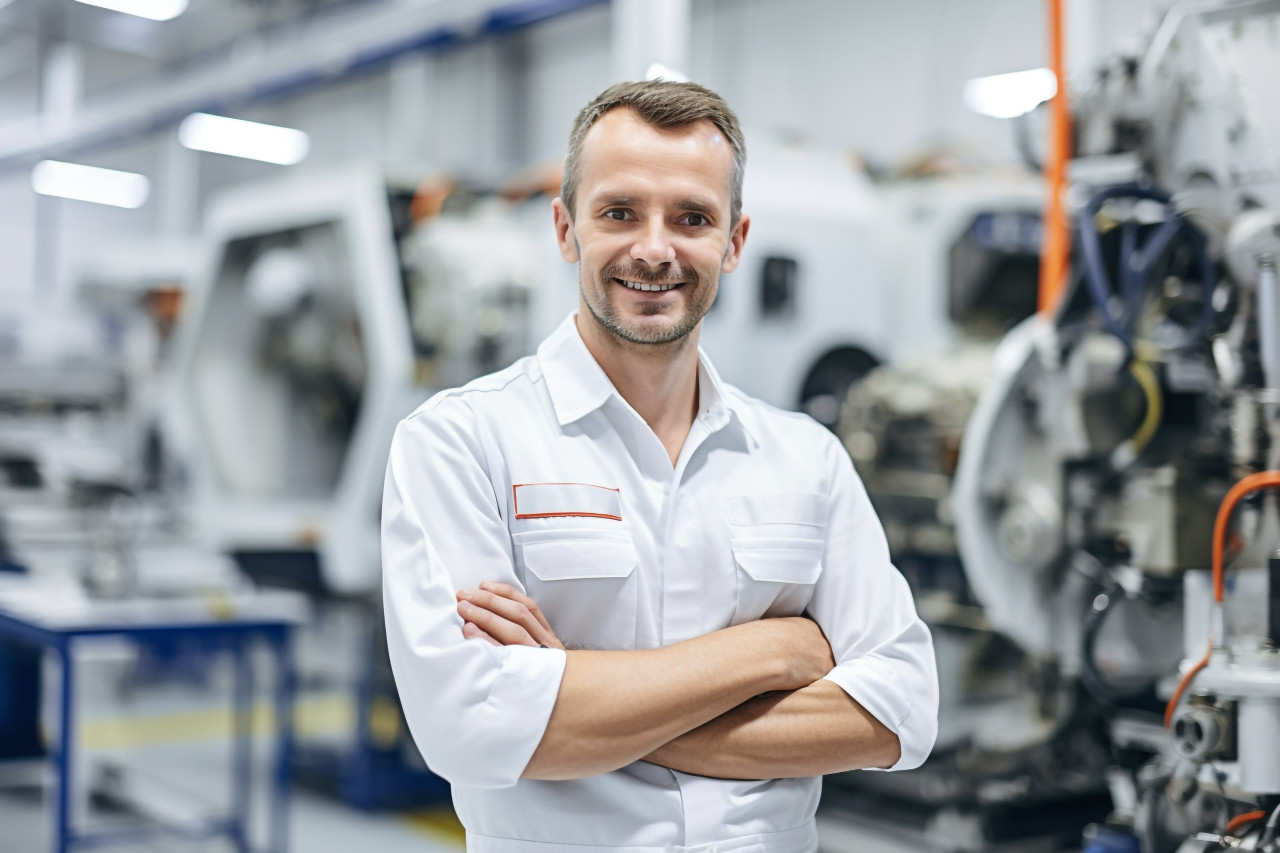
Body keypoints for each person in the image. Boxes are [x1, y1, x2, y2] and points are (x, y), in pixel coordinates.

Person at [382, 80, 938, 852]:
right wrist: (772, 651)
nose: (654, 248)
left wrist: (571, 697)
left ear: (735, 241)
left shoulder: (806, 457)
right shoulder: (461, 440)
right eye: (619, 212)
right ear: (565, 228)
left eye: (692, 218)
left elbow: (900, 712)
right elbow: (468, 725)